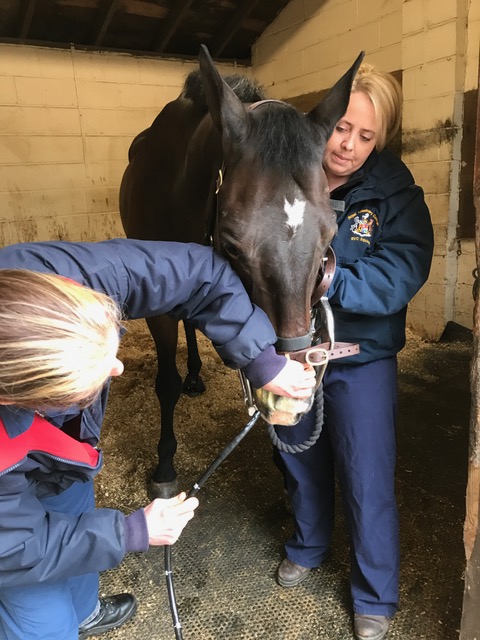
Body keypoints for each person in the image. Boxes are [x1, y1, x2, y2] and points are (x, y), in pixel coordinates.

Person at [0, 238, 316, 640]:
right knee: (43, 623)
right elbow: (17, 549)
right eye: (81, 386)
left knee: (70, 497)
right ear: (13, 398)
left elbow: (198, 272)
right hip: (10, 513)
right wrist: (132, 532)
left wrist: (262, 361)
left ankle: (84, 611)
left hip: (51, 448)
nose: (116, 369)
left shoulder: (66, 278)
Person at [273, 63, 434, 640]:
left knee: (366, 473)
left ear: (380, 140)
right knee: (296, 457)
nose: (349, 145)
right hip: (290, 352)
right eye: (343, 128)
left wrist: (330, 280)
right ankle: (309, 544)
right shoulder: (286, 174)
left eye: (366, 136)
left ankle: (373, 594)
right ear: (326, 120)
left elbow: (403, 268)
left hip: (359, 355)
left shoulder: (392, 191)